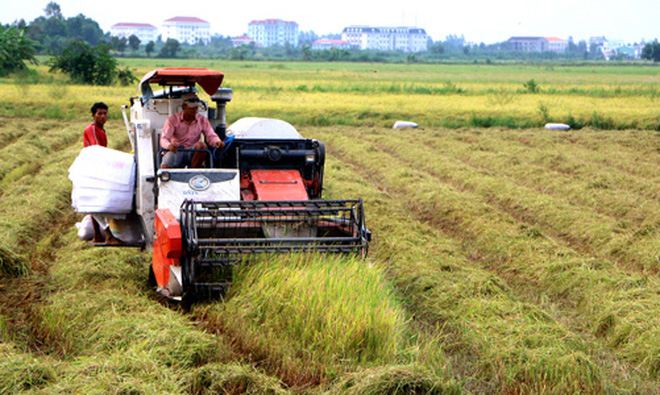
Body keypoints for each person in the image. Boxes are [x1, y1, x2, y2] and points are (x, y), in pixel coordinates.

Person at [82, 102, 123, 245]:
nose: (102, 116)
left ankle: (99, 236)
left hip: (98, 167)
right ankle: (108, 235)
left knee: (95, 202)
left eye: (105, 113)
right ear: (93, 115)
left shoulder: (101, 130)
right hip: (94, 168)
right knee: (96, 202)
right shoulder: (92, 129)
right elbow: (97, 149)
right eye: (99, 113)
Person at [160, 93, 225, 168]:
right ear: (184, 106)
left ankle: (193, 172)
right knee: (167, 159)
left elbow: (210, 135)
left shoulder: (202, 120)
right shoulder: (172, 120)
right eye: (191, 108)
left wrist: (217, 141)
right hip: (177, 151)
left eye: (196, 108)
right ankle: (165, 177)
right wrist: (169, 146)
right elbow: (164, 138)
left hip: (193, 152)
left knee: (202, 146)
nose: (194, 110)